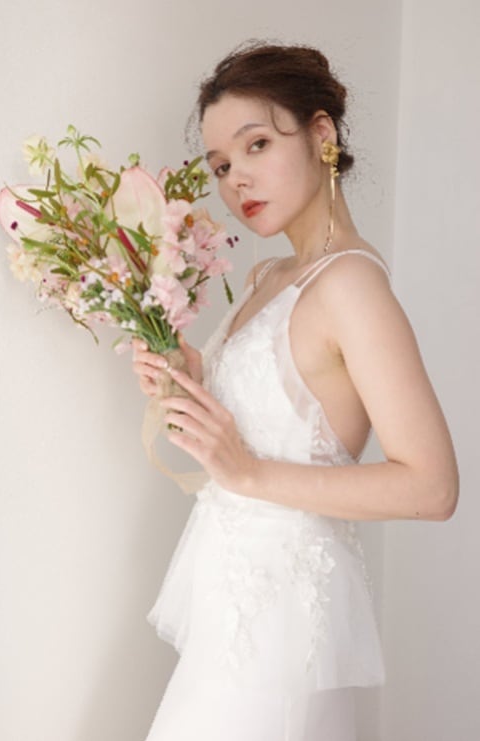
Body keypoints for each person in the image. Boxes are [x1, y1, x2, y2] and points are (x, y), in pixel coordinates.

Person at [132, 41, 459, 741]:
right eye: (221, 165)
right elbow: (263, 419)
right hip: (227, 608)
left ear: (321, 134)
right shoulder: (267, 278)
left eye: (257, 144)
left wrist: (248, 472)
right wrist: (186, 376)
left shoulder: (351, 284)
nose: (237, 180)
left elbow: (432, 487)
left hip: (283, 619)